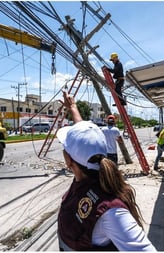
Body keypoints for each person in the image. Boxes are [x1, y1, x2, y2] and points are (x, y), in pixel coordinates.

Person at [57, 91, 156, 251]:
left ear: (68, 160)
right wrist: (73, 108)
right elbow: (85, 138)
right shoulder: (86, 174)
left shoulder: (111, 212)